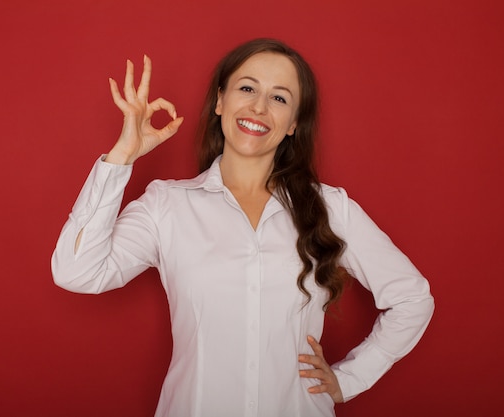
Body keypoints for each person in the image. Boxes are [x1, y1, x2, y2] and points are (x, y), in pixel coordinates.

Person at [51, 38, 434, 417]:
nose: (259, 107)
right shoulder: (167, 206)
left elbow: (412, 298)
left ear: (293, 124)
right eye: (247, 88)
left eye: (279, 98)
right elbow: (77, 272)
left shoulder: (331, 209)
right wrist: (122, 157)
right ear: (220, 101)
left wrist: (349, 380)